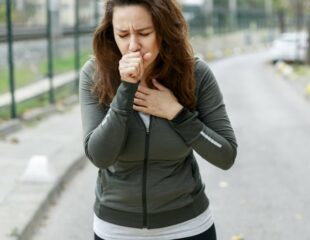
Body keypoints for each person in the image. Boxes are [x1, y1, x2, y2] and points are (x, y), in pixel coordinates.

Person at [79, 0, 237, 239]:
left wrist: (177, 113)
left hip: (189, 226)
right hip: (116, 230)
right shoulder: (95, 74)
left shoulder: (195, 74)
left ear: (163, 31)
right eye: (122, 34)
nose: (132, 45)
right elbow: (99, 155)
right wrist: (126, 89)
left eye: (144, 33)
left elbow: (225, 155)